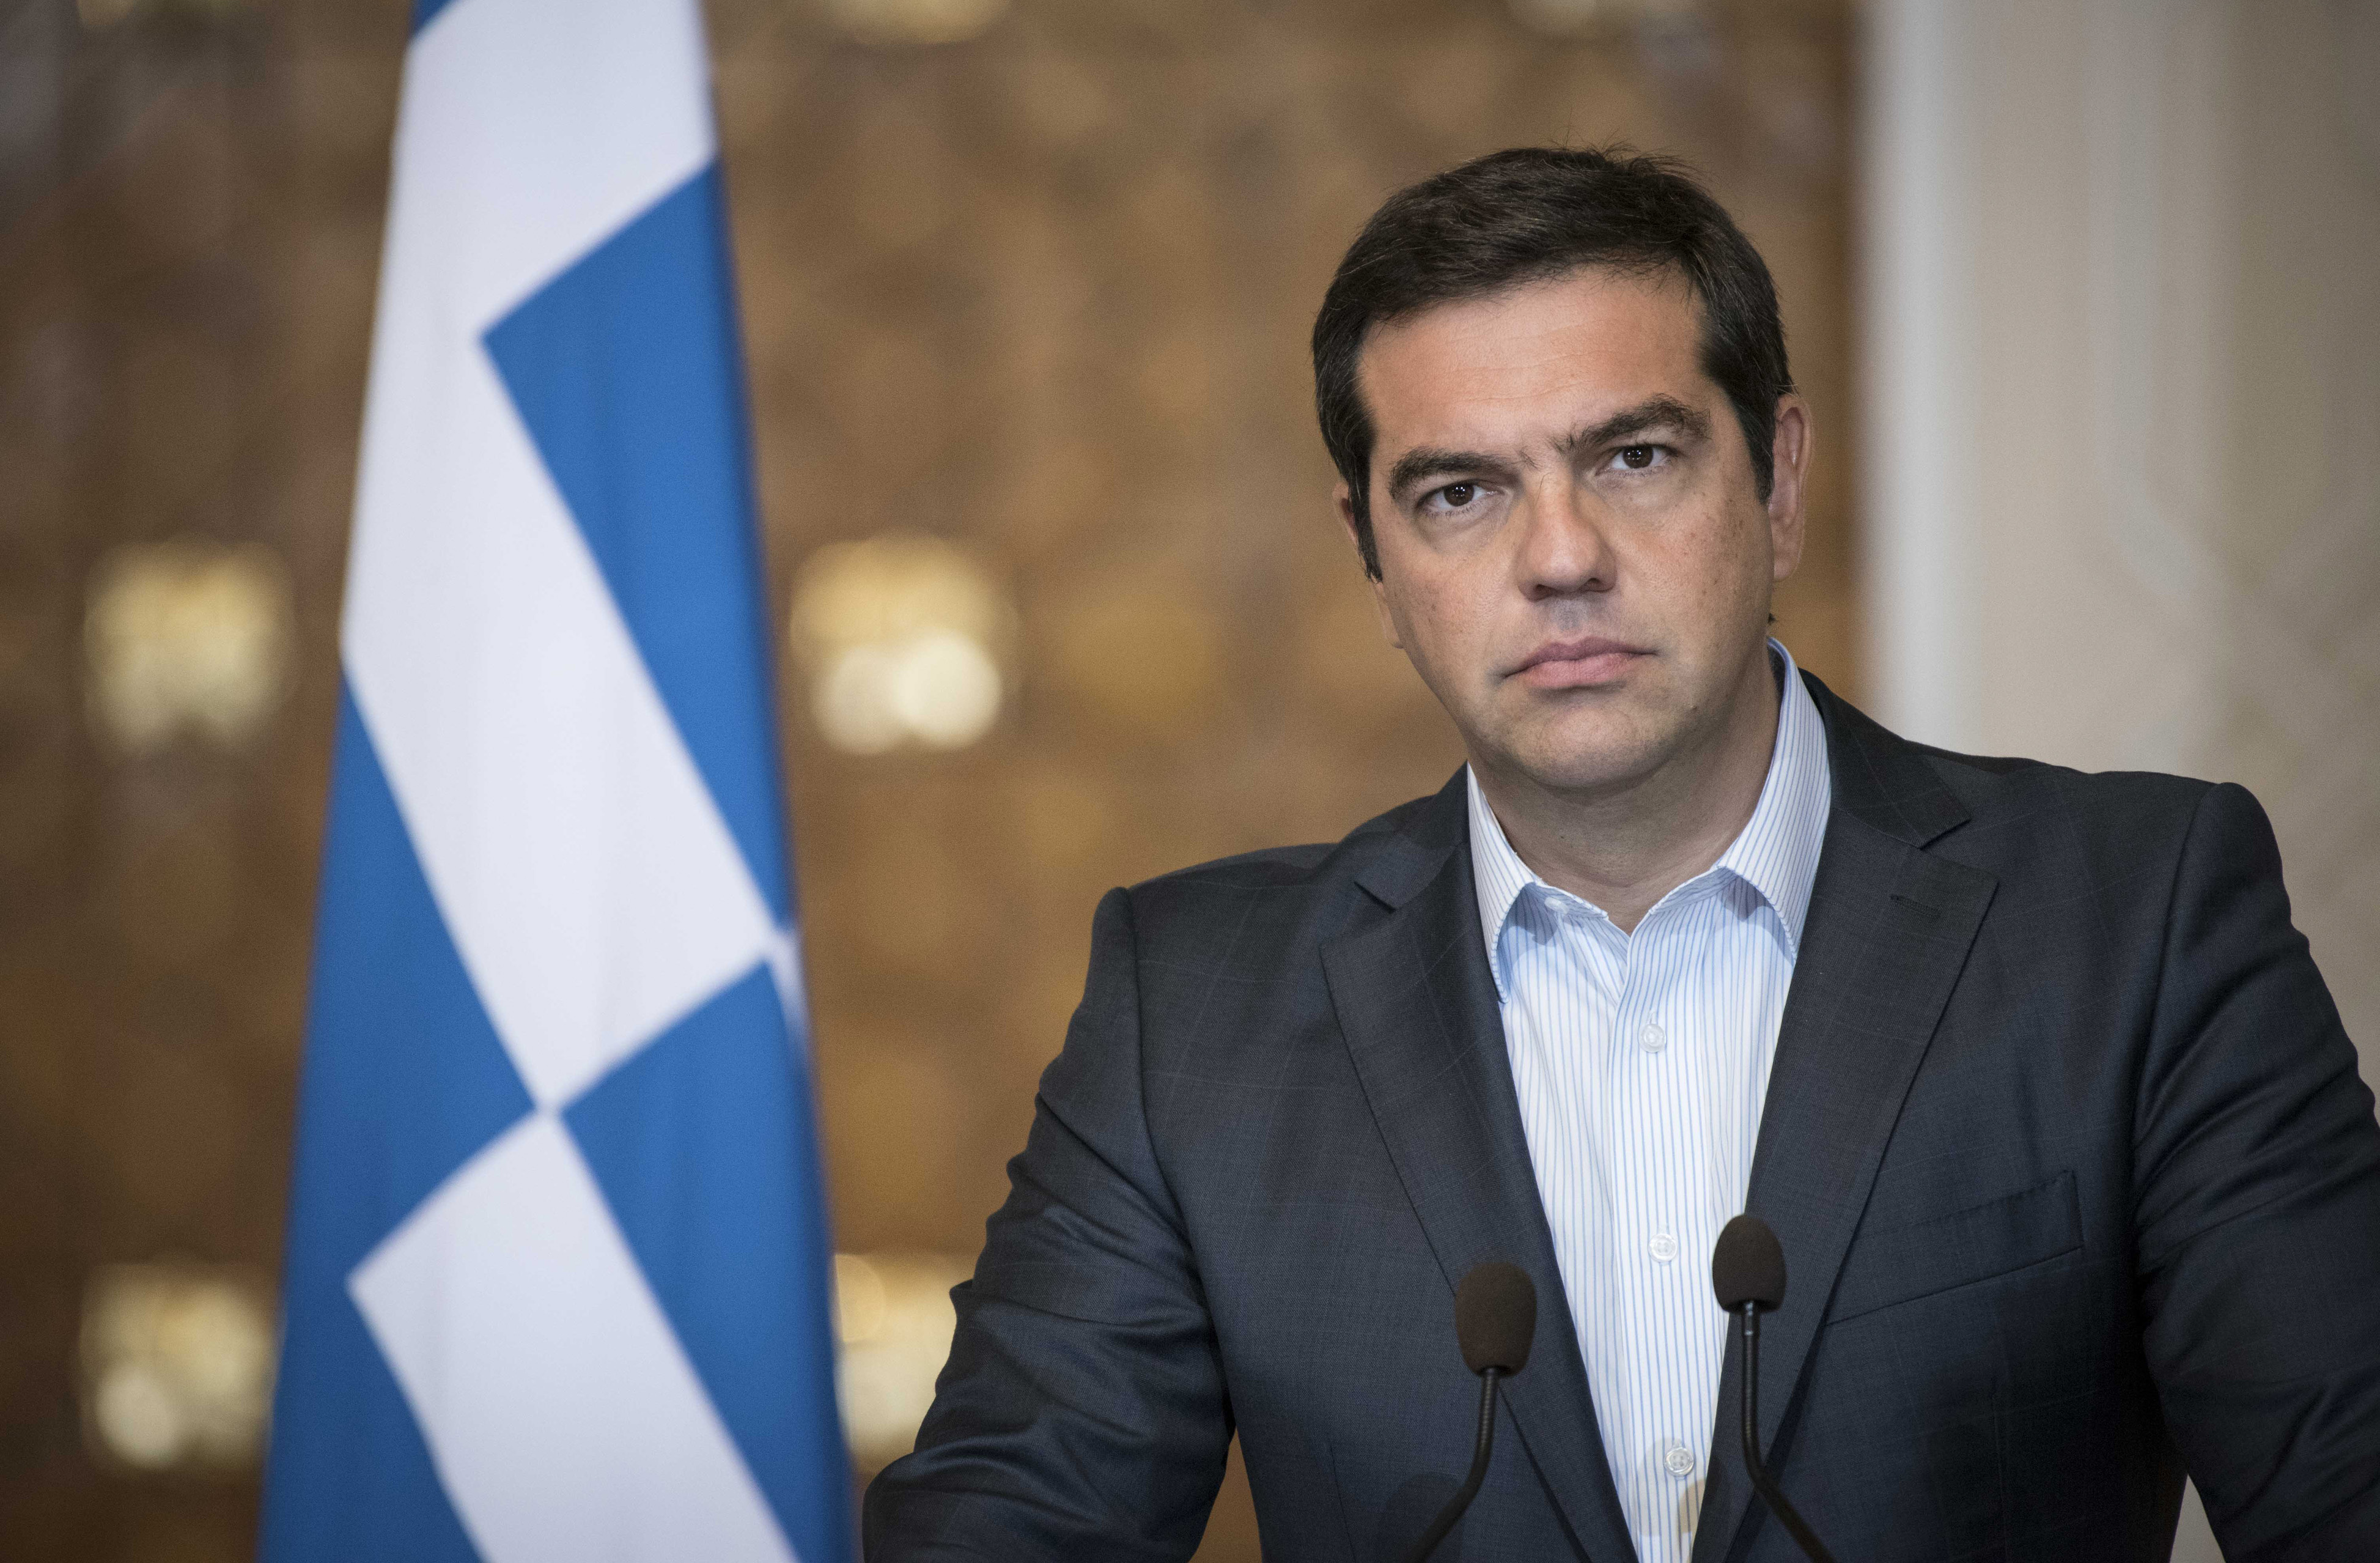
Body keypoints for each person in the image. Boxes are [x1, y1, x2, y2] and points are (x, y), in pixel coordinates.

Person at [861, 148, 2380, 1562]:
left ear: (1778, 478)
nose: (1561, 558)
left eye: (1635, 457)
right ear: (1374, 560)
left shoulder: (2135, 917)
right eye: (1460, 493)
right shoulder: (1192, 1015)